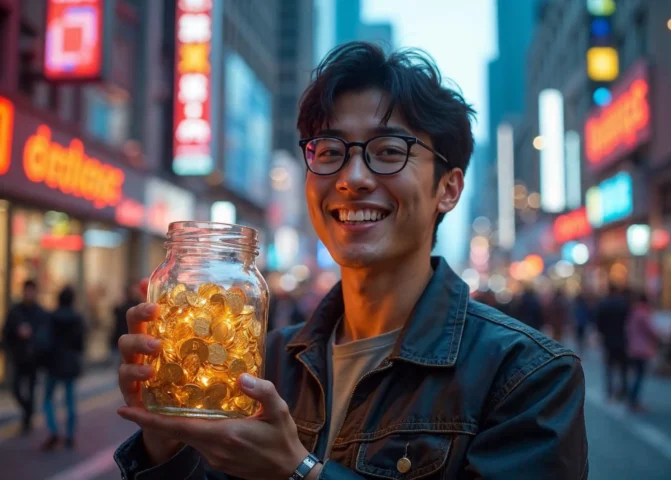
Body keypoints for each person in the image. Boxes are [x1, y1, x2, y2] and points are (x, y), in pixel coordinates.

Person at [113, 42, 588, 479]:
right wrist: (165, 441)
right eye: (330, 151)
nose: (352, 177)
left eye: (388, 151)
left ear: (449, 188)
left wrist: (299, 472)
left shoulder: (527, 375)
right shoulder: (265, 360)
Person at [41, 286, 86, 450]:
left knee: (47, 399)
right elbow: (80, 344)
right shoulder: (78, 318)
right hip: (71, 364)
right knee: (70, 401)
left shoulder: (51, 317)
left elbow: (46, 341)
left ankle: (53, 430)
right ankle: (69, 434)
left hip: (54, 363)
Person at [1, 280, 47, 434]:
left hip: (34, 358)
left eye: (32, 291)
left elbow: (45, 335)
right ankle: (28, 411)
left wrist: (34, 338)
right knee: (15, 388)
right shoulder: (16, 311)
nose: (29, 294)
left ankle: (27, 419)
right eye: (27, 291)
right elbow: (7, 332)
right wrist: (17, 333)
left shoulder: (40, 312)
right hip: (19, 356)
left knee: (32, 389)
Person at [595, 283, 631, 401]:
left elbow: (599, 322)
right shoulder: (624, 303)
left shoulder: (604, 304)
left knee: (609, 366)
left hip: (608, 339)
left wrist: (602, 333)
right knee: (623, 367)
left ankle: (610, 390)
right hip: (622, 338)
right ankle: (623, 390)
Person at [626, 293, 659, 413]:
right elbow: (651, 331)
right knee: (639, 376)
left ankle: (632, 399)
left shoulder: (634, 312)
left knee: (636, 375)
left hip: (633, 348)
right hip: (642, 349)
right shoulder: (643, 314)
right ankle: (634, 401)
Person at [111, 284, 140, 365]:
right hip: (129, 337)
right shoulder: (136, 305)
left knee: (123, 363)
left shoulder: (121, 307)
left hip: (120, 337)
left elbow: (115, 311)